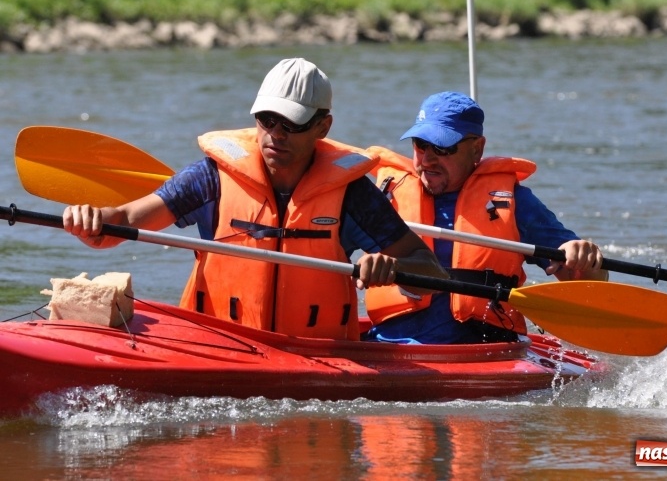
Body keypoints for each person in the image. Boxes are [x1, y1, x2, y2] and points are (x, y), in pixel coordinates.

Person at [62, 58, 447, 341]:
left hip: (319, 354)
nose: (275, 134)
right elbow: (126, 220)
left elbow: (429, 273)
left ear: (323, 126)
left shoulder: (352, 192)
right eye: (266, 119)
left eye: (292, 124)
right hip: (215, 343)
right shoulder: (210, 177)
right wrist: (95, 223)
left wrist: (392, 267)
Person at [363, 91, 608, 344]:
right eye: (421, 144)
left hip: (481, 350)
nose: (427, 158)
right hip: (387, 348)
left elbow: (587, 286)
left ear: (476, 149)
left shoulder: (513, 203)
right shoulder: (381, 198)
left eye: (442, 147)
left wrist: (581, 254)